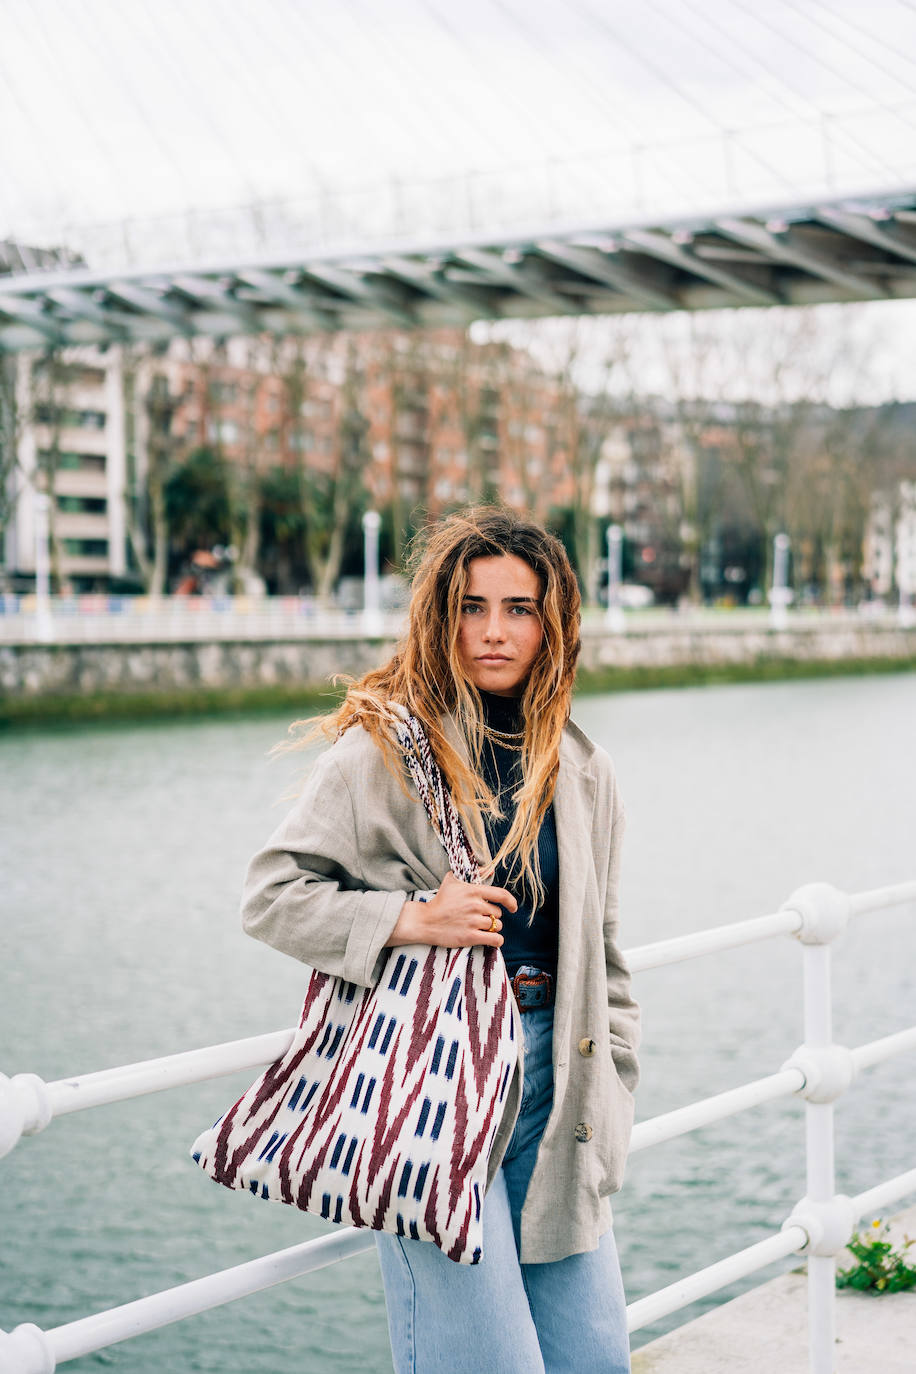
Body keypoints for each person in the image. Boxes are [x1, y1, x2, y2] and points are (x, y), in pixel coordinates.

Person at [241, 506, 640, 1374]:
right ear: (438, 616)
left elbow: (606, 948)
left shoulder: (582, 767)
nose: (493, 631)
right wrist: (409, 917)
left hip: (559, 1077)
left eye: (519, 608)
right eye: (470, 606)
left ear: (553, 624)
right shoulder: (381, 753)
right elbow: (272, 896)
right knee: (488, 1362)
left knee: (595, 1359)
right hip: (432, 1080)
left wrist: (614, 1083)